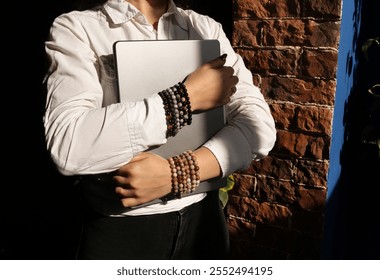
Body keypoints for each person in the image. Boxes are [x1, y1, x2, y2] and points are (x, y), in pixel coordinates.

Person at [43, 0, 277, 260]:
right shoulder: (79, 28)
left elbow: (259, 127)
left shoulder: (204, 27)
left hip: (204, 222)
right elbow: (69, 146)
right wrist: (184, 98)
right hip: (122, 230)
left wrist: (175, 174)